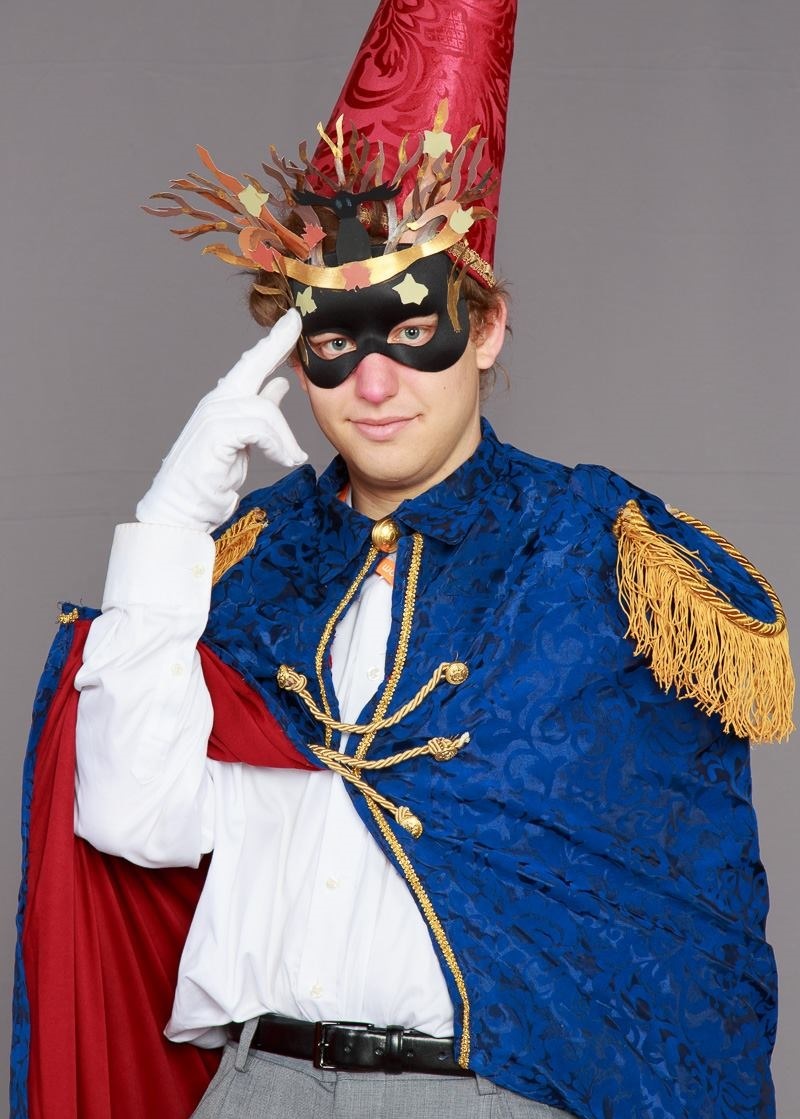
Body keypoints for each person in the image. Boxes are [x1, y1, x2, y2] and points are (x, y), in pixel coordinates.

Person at [13, 2, 794, 1118]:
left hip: (487, 1097)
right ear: (295, 356)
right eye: (335, 342)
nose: (373, 385)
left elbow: (681, 932)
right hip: (257, 1088)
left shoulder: (596, 558)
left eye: (413, 331)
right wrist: (172, 521)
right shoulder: (243, 567)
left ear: (486, 329)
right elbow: (134, 821)